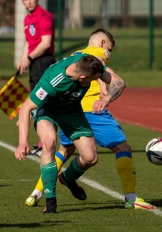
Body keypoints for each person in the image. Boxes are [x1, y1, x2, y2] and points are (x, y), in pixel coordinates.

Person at [24, 29, 155, 210]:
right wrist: (104, 92)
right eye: (109, 49)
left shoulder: (77, 56)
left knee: (63, 149)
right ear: (101, 43)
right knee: (122, 147)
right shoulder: (98, 53)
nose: (108, 54)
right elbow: (102, 67)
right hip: (91, 109)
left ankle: (37, 193)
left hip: (69, 109)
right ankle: (131, 197)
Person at [15, 53, 126, 214]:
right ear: (81, 77)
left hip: (72, 111)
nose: (96, 81)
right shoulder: (52, 82)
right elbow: (25, 108)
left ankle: (67, 178)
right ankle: (50, 201)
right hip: (47, 110)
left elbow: (119, 82)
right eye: (92, 80)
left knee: (90, 158)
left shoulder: (89, 63)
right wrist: (23, 142)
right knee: (49, 142)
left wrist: (106, 98)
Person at [17, 0, 56, 155]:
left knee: (42, 101)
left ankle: (45, 143)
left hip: (43, 61)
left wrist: (30, 58)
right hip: (34, 62)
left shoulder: (44, 16)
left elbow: (46, 43)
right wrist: (23, 60)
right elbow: (28, 42)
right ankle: (43, 142)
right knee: (36, 101)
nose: (29, 2)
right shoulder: (27, 19)